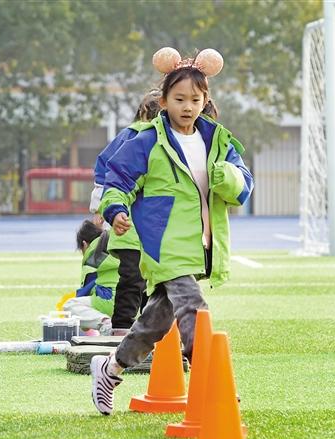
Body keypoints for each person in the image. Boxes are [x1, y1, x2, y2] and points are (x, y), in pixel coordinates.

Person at [91, 48, 253, 415]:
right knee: (193, 307)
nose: (187, 106)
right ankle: (211, 382)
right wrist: (116, 210)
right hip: (163, 242)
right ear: (163, 101)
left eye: (195, 99)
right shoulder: (147, 140)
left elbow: (243, 186)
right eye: (179, 99)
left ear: (205, 101)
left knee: (157, 320)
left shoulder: (218, 141)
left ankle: (111, 368)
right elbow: (117, 180)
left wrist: (224, 176)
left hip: (200, 243)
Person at [91, 91, 220, 336]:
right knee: (134, 280)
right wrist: (105, 208)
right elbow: (110, 172)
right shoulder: (137, 136)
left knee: (152, 285)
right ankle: (123, 329)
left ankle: (144, 336)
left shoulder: (186, 141)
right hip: (131, 229)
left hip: (160, 233)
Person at [62, 220, 120, 335]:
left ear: (84, 244)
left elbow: (84, 295)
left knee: (70, 306)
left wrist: (87, 322)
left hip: (110, 302)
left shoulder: (92, 258)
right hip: (133, 302)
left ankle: (105, 324)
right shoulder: (115, 245)